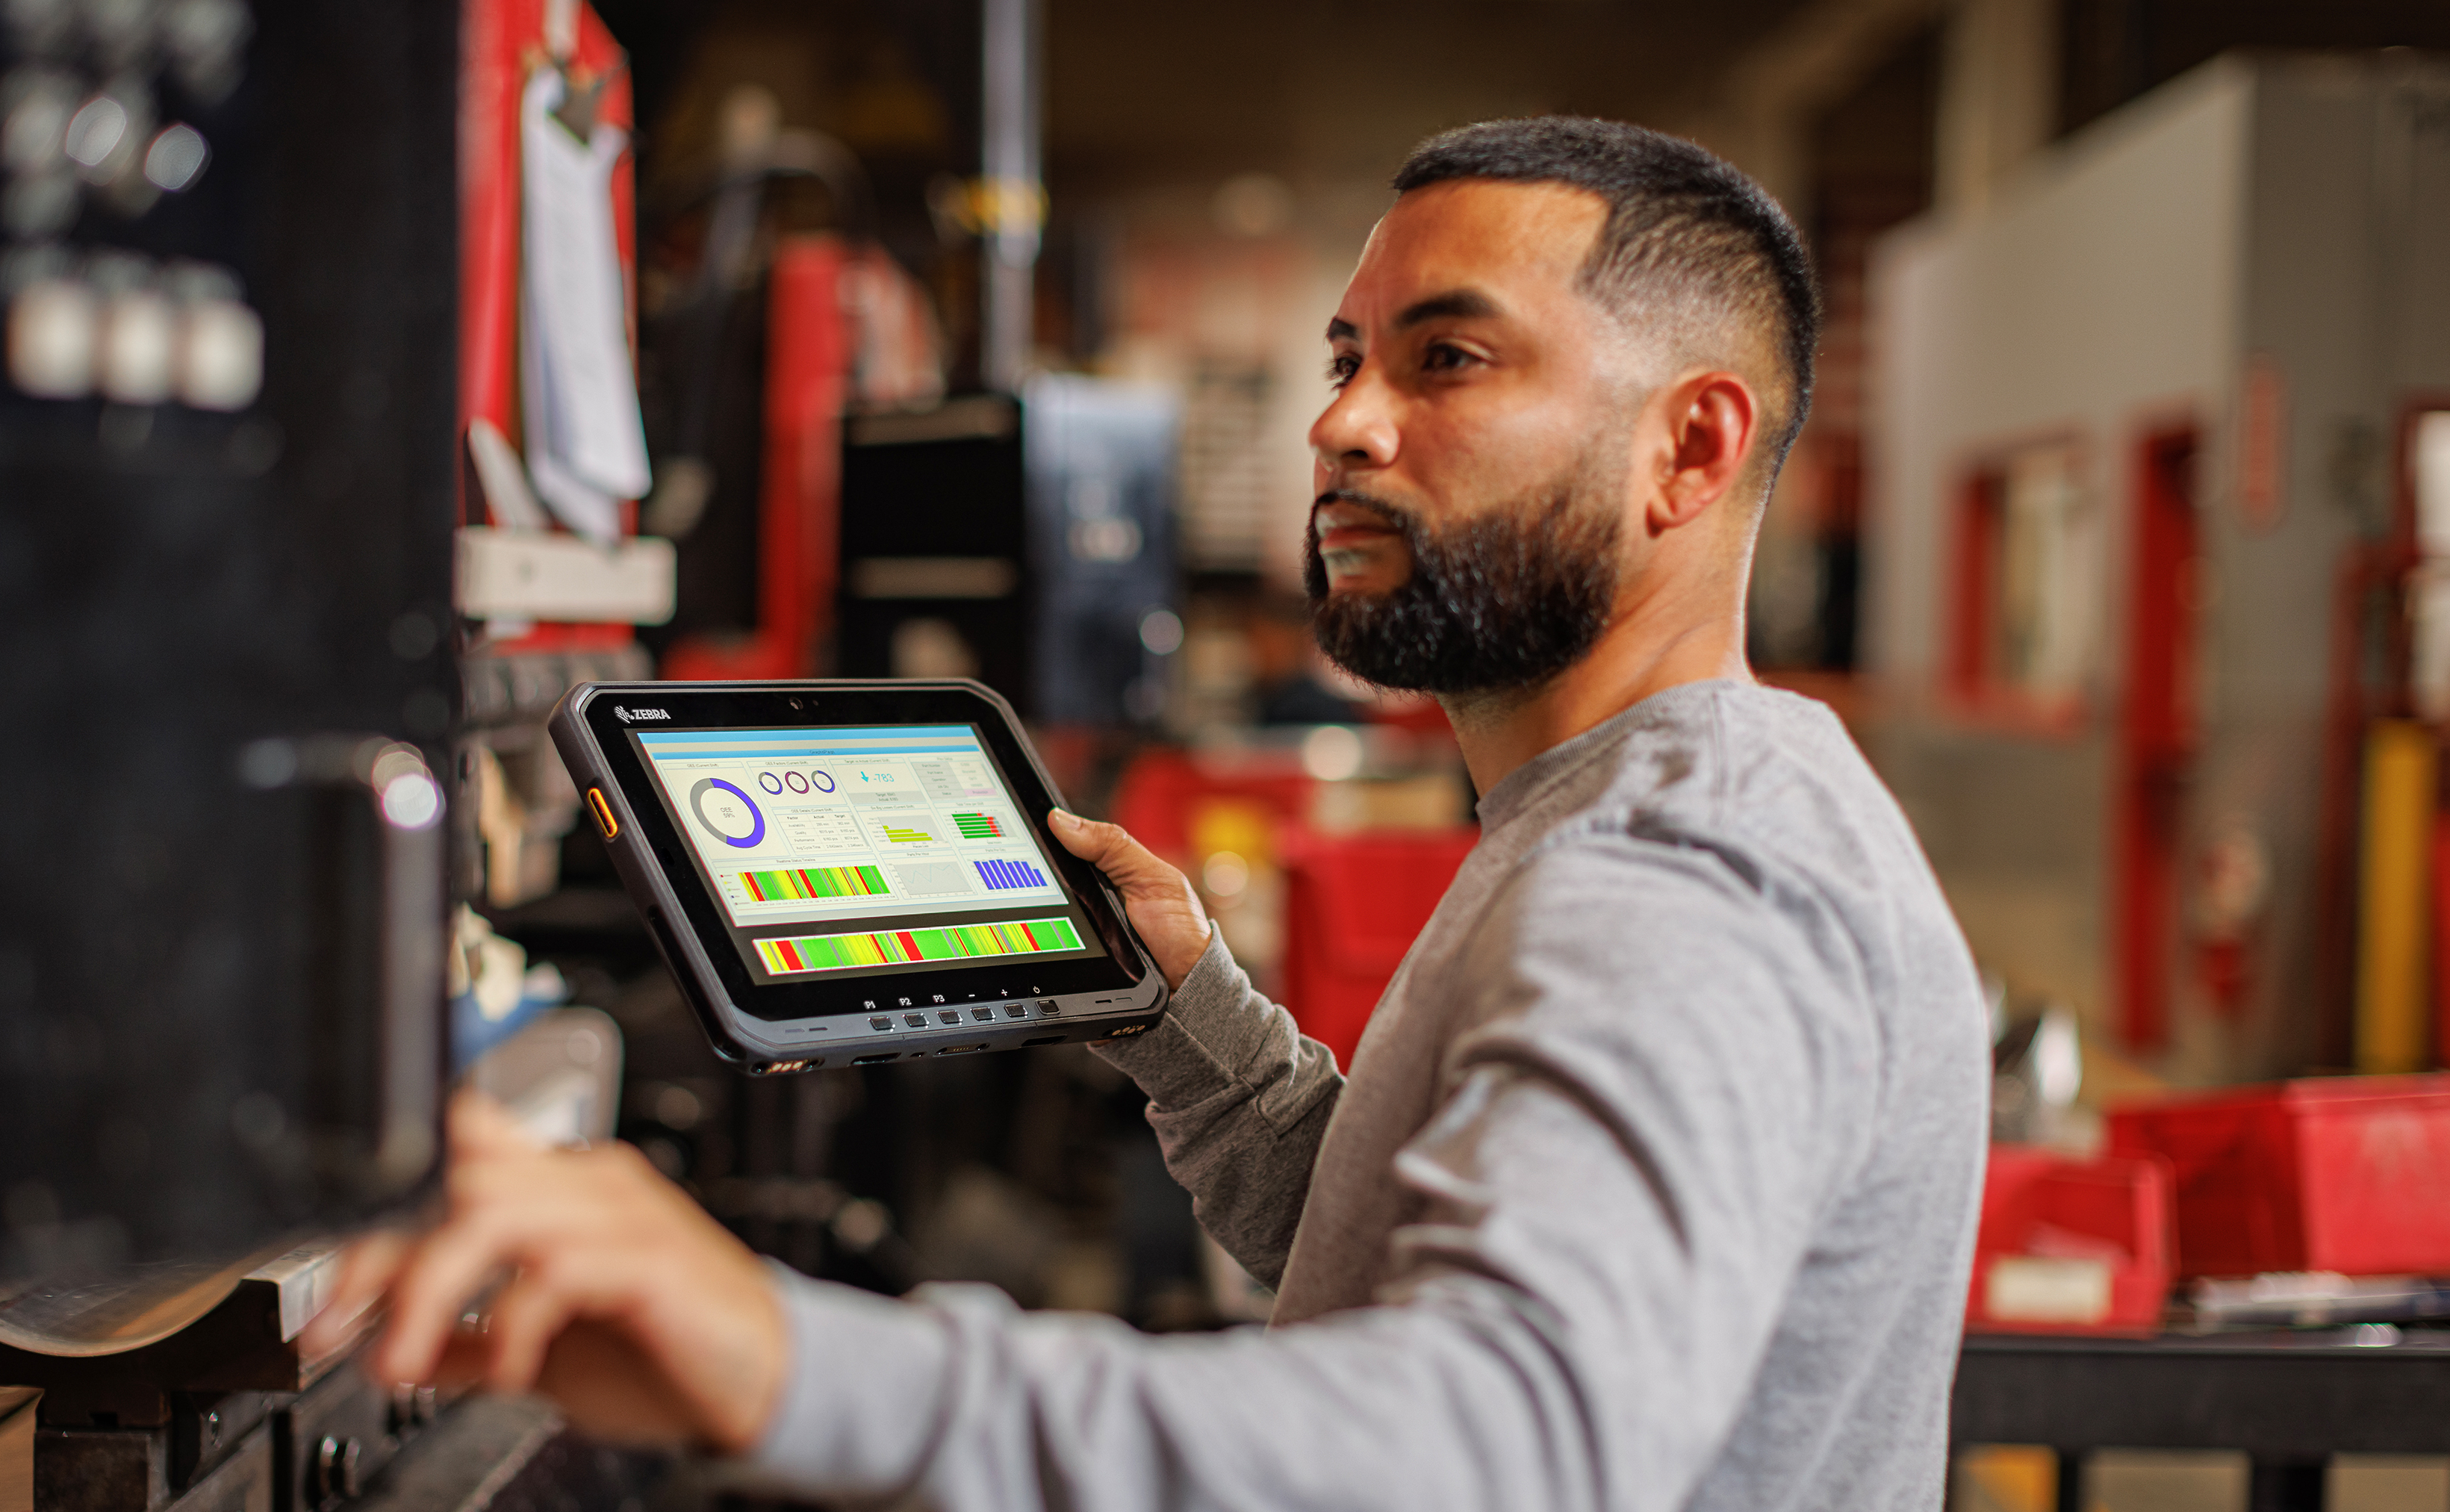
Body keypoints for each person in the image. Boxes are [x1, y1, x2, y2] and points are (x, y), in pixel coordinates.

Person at [308, 116, 1989, 1512]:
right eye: (1345, 358)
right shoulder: (1605, 812)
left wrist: (774, 1345)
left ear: (1689, 451)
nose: (1341, 421)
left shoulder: (1688, 868)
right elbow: (1399, 1254)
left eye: (1447, 357)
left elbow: (1501, 1442)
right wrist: (1197, 1030)